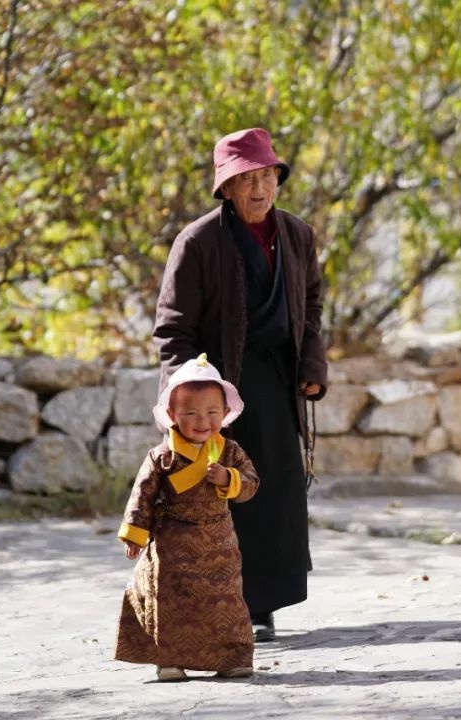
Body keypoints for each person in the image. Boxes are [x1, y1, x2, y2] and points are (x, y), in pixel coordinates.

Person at [153, 127, 328, 643]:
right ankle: (227, 603)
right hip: (216, 388)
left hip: (275, 380)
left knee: (273, 492)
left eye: (267, 177)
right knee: (219, 493)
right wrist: (188, 394)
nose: (258, 190)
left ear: (278, 179)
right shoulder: (198, 241)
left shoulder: (297, 235)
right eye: (245, 180)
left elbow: (311, 308)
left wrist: (311, 368)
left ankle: (264, 603)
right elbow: (172, 327)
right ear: (226, 189)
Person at [115, 353, 261, 681]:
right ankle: (170, 660)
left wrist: (229, 479)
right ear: (172, 414)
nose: (202, 421)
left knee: (226, 601)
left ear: (225, 414)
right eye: (191, 413)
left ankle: (231, 658)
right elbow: (143, 495)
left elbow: (251, 482)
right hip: (172, 543)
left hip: (218, 543)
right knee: (171, 602)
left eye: (211, 412)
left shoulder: (230, 452)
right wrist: (135, 534)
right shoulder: (161, 457)